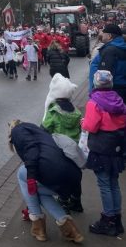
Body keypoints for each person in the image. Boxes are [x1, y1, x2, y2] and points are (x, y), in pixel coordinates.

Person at [9, 120, 84, 243]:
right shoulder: (38, 132)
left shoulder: (18, 130)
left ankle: (38, 226)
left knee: (22, 173)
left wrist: (31, 177)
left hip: (56, 175)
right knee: (40, 192)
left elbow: (31, 150)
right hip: (72, 177)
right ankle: (70, 229)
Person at [83, 70, 126, 236]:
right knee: (114, 183)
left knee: (104, 184)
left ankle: (108, 220)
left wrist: (84, 123)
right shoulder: (119, 100)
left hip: (101, 147)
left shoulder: (94, 102)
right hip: (116, 146)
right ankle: (116, 219)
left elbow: (91, 126)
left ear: (96, 84)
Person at [41, 74, 83, 213]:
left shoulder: (54, 111)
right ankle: (76, 201)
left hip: (59, 149)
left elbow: (45, 128)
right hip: (74, 148)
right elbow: (80, 129)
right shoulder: (76, 112)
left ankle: (64, 202)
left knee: (63, 176)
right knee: (75, 175)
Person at [89, 23, 126, 101]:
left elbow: (104, 77)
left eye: (104, 33)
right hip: (121, 88)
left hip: (112, 91)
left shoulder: (109, 50)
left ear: (109, 36)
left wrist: (98, 95)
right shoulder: (121, 46)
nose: (102, 35)